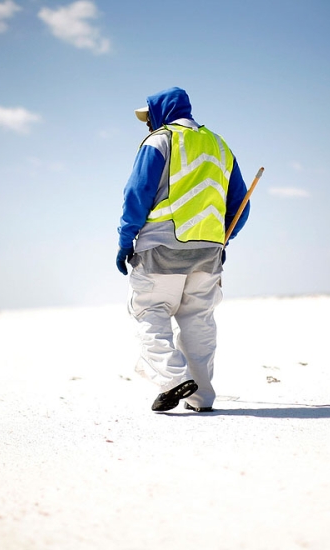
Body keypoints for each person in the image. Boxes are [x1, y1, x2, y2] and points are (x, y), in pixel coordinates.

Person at [115, 87, 250, 413]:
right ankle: (200, 397)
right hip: (208, 254)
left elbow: (137, 196)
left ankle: (174, 379)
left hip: (160, 249)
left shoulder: (159, 141)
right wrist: (221, 241)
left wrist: (124, 241)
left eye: (148, 118)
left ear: (160, 112)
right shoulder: (220, 146)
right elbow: (241, 208)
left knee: (151, 312)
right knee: (198, 321)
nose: (148, 125)